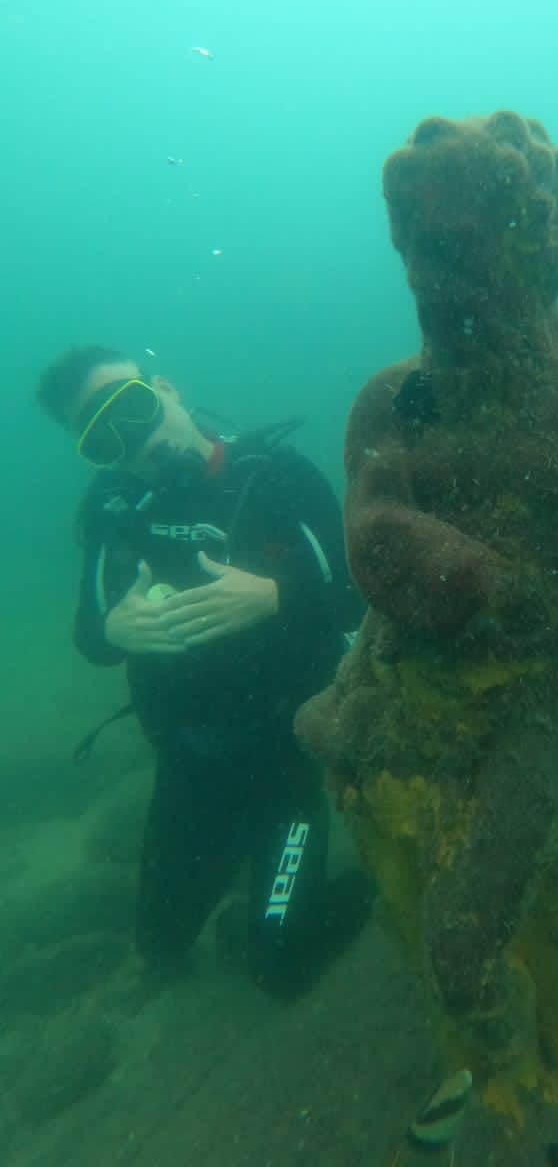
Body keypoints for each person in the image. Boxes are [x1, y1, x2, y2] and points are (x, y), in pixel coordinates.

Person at [36, 346, 370, 994]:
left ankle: (369, 882)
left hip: (287, 754)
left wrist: (275, 596)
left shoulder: (277, 475)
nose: (138, 443)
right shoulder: (115, 507)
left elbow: (359, 595)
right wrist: (112, 628)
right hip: (191, 762)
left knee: (278, 964)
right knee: (159, 948)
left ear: (164, 388)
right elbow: (91, 634)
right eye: (104, 439)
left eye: (133, 409)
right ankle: (242, 859)